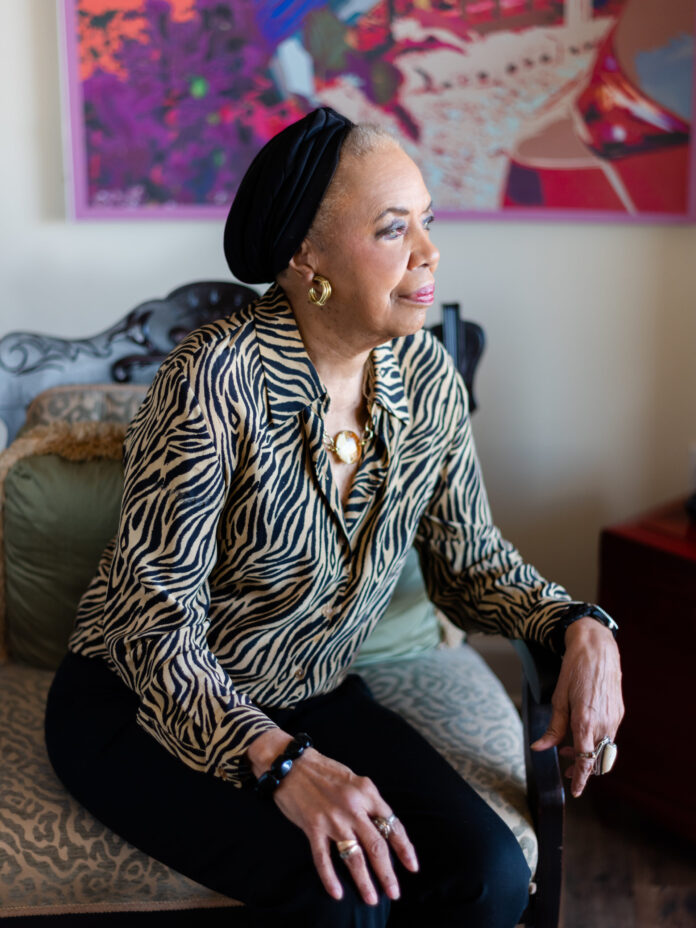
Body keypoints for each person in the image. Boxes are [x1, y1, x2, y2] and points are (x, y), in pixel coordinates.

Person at [45, 107, 624, 927]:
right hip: (140, 707)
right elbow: (152, 625)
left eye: (428, 220)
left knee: (487, 877)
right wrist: (281, 765)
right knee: (340, 899)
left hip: (312, 695)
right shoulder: (212, 381)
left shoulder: (428, 377)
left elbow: (469, 564)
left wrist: (580, 623)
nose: (429, 252)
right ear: (304, 255)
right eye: (394, 229)